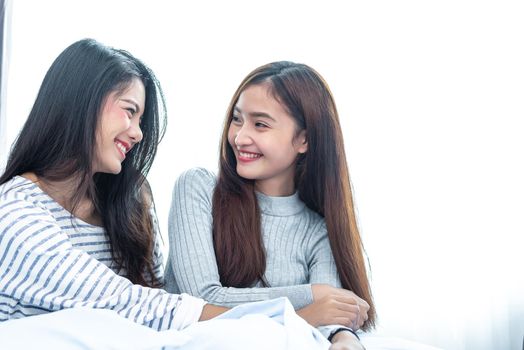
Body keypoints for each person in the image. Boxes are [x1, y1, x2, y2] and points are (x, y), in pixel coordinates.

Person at [0, 38, 227, 330]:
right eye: (130, 111)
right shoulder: (13, 213)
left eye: (141, 120)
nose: (138, 134)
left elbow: (157, 295)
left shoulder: (130, 202)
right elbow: (129, 304)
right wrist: (258, 321)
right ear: (83, 102)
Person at [165, 61, 376, 349]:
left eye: (260, 124)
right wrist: (313, 298)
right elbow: (201, 301)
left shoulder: (318, 232)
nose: (239, 137)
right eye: (237, 119)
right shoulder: (198, 188)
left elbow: (331, 316)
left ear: (304, 139)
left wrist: (345, 338)